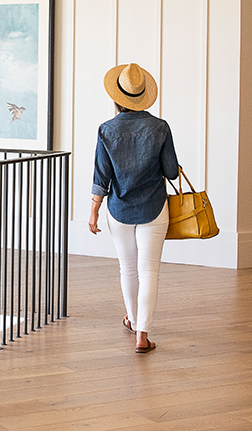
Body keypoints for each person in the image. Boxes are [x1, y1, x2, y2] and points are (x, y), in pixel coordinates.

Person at [87, 63, 178, 354]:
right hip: (154, 207)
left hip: (118, 210)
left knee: (127, 268)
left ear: (117, 98)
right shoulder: (160, 128)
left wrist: (93, 211)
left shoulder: (106, 130)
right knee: (149, 270)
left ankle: (133, 319)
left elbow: (101, 176)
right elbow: (172, 172)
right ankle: (142, 334)